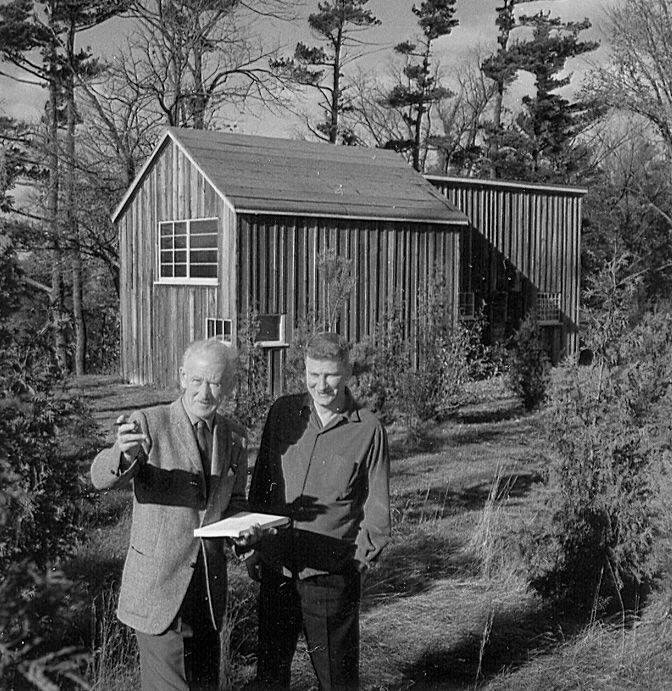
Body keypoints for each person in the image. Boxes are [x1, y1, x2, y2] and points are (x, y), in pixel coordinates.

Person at [91, 338, 262, 691]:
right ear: (183, 377)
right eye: (197, 381)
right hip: (159, 590)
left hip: (207, 594)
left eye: (215, 382)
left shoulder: (234, 437)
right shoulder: (150, 424)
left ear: (228, 385)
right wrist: (121, 456)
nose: (205, 392)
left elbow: (236, 501)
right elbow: (98, 477)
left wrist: (244, 533)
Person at [246, 331, 391, 690]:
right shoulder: (282, 413)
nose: (321, 385)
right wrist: (254, 546)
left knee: (337, 680)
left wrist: (353, 564)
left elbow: (378, 509)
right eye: (313, 375)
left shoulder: (368, 429)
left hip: (330, 577)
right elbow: (262, 483)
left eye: (330, 375)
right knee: (270, 677)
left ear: (347, 372)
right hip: (277, 567)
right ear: (304, 372)